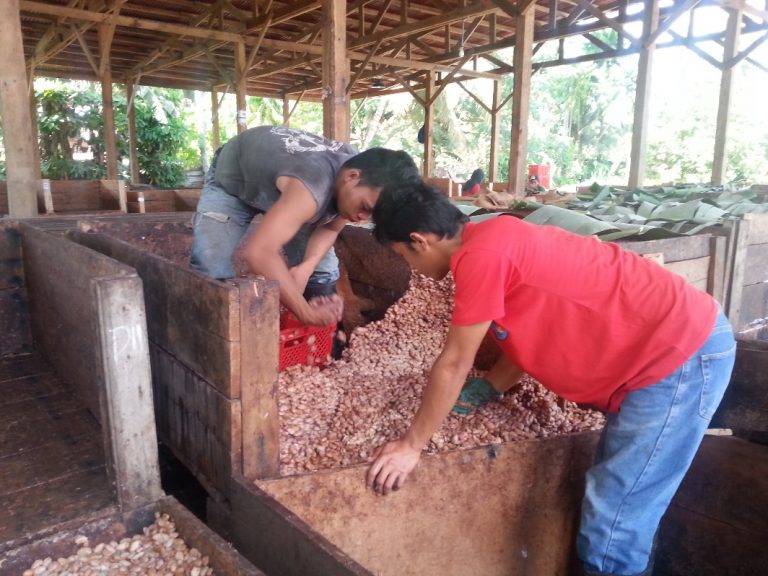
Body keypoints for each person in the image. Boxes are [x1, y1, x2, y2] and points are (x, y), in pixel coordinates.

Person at [365, 181, 735, 576]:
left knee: (614, 520)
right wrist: (491, 385)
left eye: (402, 255)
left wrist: (411, 445)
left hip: (678, 357)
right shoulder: (494, 235)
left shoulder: (481, 257)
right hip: (670, 349)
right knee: (623, 503)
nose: (410, 267)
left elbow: (455, 361)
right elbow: (540, 324)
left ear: (419, 241)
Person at [190, 125, 420, 326]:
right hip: (234, 180)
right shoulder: (313, 188)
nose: (363, 218)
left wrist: (306, 267)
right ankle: (213, 345)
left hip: (287, 189)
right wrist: (304, 312)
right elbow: (258, 253)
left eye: (373, 215)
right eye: (366, 208)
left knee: (323, 268)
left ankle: (321, 344)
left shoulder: (357, 184)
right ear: (351, 177)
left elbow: (330, 228)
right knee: (210, 266)